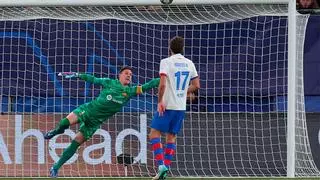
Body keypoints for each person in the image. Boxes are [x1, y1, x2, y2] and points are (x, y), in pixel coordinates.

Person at [44, 66, 160, 178]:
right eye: (126, 73)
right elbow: (93, 79)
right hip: (87, 110)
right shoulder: (109, 82)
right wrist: (78, 75)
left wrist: (163, 79)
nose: (129, 76)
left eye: (130, 75)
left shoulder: (130, 92)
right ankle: (55, 132)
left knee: (75, 143)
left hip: (95, 123)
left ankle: (55, 167)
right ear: (119, 75)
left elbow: (147, 86)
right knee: (64, 123)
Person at [149, 36, 200, 180]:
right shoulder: (189, 63)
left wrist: (160, 101)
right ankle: (164, 170)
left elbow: (163, 84)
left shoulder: (166, 62)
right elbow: (196, 85)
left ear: (170, 48)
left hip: (167, 104)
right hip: (180, 106)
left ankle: (161, 166)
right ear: (182, 48)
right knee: (171, 137)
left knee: (154, 134)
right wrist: (183, 92)